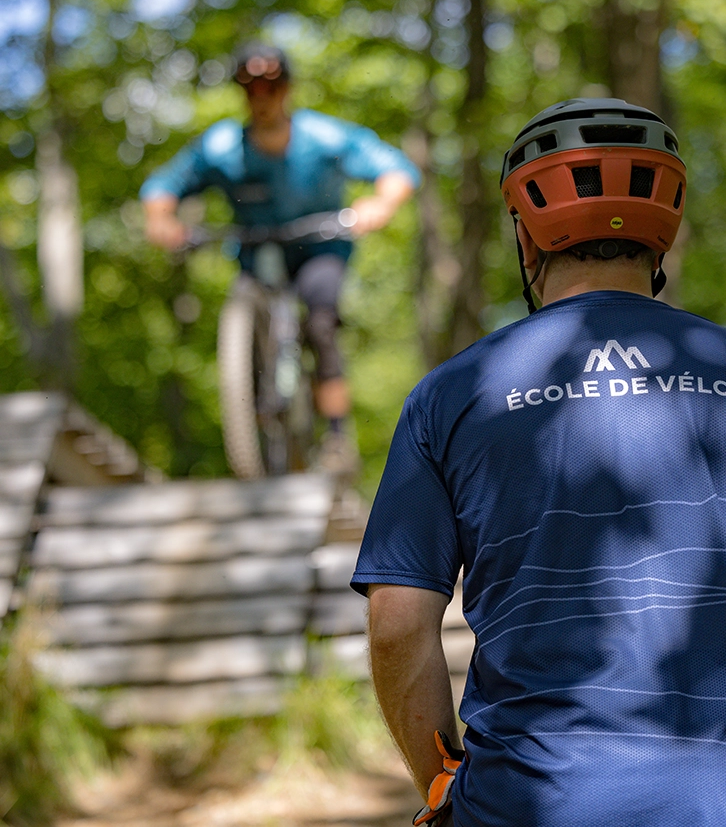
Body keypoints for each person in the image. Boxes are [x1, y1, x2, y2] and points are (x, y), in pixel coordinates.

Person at [352, 98, 726, 826]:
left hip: (530, 797)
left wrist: (439, 782)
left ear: (527, 238)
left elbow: (398, 623)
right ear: (664, 233)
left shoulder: (453, 394)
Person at [140, 42, 420, 473]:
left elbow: (395, 169)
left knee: (321, 323)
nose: (262, 95)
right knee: (246, 310)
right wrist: (160, 218)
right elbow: (166, 183)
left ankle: (336, 437)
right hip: (256, 253)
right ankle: (253, 422)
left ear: (286, 88)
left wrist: (379, 203)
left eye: (271, 84)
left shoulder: (324, 137)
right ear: (241, 92)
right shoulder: (221, 148)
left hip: (320, 246)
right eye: (250, 86)